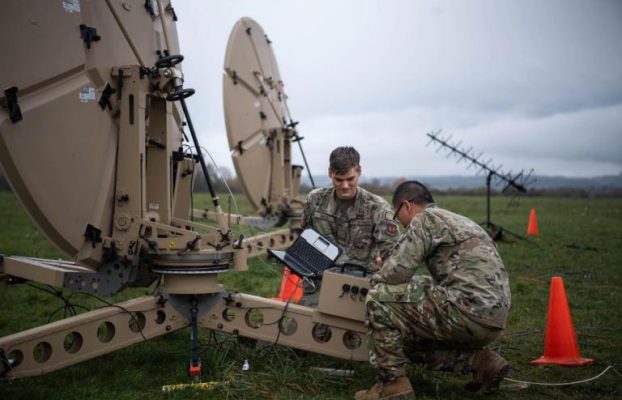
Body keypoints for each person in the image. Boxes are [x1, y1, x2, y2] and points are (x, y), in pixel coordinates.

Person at [355, 180, 511, 400]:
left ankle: (392, 385)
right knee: (405, 340)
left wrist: (374, 282)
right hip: (492, 319)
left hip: (467, 311)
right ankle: (481, 362)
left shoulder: (425, 219)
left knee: (378, 298)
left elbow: (398, 272)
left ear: (407, 206)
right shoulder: (458, 220)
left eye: (397, 215)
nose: (400, 223)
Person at [300, 146, 399, 306]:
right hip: (320, 279)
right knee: (307, 323)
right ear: (330, 173)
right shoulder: (315, 200)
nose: (345, 185)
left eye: (350, 179)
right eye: (339, 180)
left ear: (359, 171)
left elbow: (392, 254)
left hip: (359, 282)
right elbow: (305, 234)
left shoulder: (377, 207)